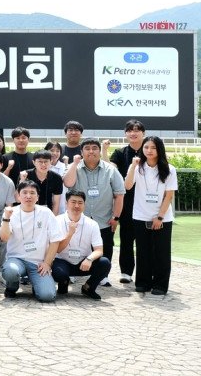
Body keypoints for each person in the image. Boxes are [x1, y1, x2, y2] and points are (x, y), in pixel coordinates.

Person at [63, 138, 125, 286]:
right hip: (78, 217)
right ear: (81, 151)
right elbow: (68, 183)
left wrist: (116, 217)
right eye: (87, 148)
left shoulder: (111, 170)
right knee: (74, 244)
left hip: (104, 217)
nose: (91, 151)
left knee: (105, 246)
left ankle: (102, 276)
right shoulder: (74, 167)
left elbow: (119, 194)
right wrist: (74, 164)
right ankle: (72, 272)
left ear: (99, 151)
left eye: (94, 148)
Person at [123, 136, 177, 295]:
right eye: (146, 147)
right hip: (140, 215)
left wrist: (160, 217)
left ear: (159, 149)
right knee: (142, 250)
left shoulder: (169, 169)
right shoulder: (137, 167)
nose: (149, 150)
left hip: (162, 217)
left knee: (161, 252)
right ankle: (142, 282)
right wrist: (133, 166)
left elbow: (169, 195)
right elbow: (127, 186)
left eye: (153, 147)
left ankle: (160, 285)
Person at [0, 181, 64, 302]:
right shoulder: (11, 212)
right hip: (17, 259)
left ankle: (37, 284)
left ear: (37, 197)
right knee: (10, 272)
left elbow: (55, 240)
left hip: (38, 263)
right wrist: (6, 218)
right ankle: (12, 286)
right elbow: (4, 237)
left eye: (32, 193)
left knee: (48, 296)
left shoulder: (46, 213)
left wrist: (47, 263)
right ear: (18, 196)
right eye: (24, 192)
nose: (28, 196)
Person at [52, 190, 111, 300]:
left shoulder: (92, 224)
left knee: (104, 263)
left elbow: (99, 250)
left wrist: (89, 259)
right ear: (66, 203)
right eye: (73, 202)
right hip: (62, 261)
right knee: (59, 273)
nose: (76, 206)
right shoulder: (56, 221)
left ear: (84, 204)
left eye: (80, 202)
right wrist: (70, 234)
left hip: (83, 262)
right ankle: (63, 282)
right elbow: (57, 250)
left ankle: (88, 287)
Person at [109, 119, 146, 284]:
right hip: (126, 202)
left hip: (146, 202)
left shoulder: (151, 151)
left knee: (146, 240)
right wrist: (104, 150)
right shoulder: (119, 153)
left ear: (143, 133)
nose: (133, 133)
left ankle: (146, 272)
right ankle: (126, 272)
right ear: (125, 134)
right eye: (130, 130)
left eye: (137, 130)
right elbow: (110, 169)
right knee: (126, 238)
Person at [20, 150, 63, 215]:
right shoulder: (25, 175)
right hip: (28, 212)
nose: (43, 164)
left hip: (47, 213)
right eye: (40, 161)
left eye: (46, 161)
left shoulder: (57, 178)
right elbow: (17, 199)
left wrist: (53, 218)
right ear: (34, 162)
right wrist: (22, 181)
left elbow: (56, 202)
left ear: (51, 162)